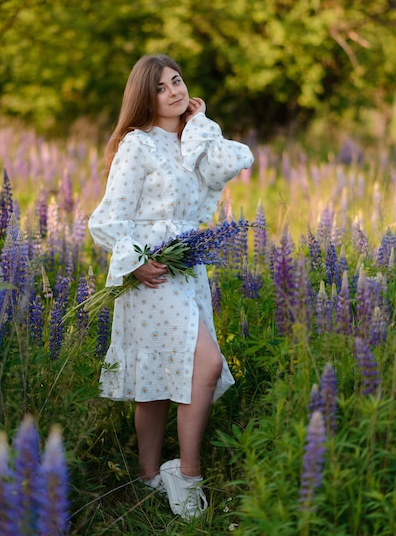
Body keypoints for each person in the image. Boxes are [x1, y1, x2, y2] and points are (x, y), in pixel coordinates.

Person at [88, 54, 254, 521]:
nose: (174, 92)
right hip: (151, 269)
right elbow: (106, 219)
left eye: (178, 81)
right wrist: (136, 262)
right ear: (145, 96)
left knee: (172, 369)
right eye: (161, 87)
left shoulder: (194, 139)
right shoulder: (137, 145)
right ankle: (180, 475)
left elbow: (234, 161)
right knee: (197, 364)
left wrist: (201, 123)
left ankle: (159, 476)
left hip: (188, 266)